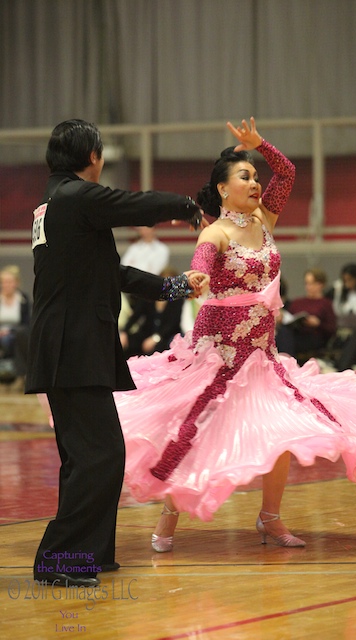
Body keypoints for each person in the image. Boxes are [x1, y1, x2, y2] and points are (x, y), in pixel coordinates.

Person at [114, 117, 356, 555]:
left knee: (282, 432)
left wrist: (259, 145)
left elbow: (286, 172)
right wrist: (191, 279)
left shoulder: (265, 219)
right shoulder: (214, 233)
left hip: (262, 355)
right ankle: (169, 514)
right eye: (245, 176)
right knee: (193, 433)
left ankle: (270, 518)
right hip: (219, 355)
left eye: (255, 176)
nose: (255, 183)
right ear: (222, 189)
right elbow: (199, 270)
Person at [25, 119, 207, 587]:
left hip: (67, 347)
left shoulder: (54, 205)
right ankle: (59, 559)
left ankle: (88, 555)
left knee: (88, 456)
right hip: (73, 347)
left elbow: (114, 273)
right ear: (92, 156)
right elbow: (133, 205)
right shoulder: (72, 198)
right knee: (101, 455)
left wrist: (176, 286)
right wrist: (187, 205)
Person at [120, 267, 185, 358]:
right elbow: (136, 315)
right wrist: (124, 332)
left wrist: (156, 338)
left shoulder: (177, 301)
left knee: (161, 346)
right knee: (128, 342)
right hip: (147, 332)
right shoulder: (149, 297)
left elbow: (172, 324)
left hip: (165, 336)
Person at [275, 267, 336, 360]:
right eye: (307, 283)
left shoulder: (326, 304)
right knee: (282, 333)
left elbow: (332, 328)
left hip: (313, 336)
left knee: (285, 336)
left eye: (312, 283)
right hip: (294, 333)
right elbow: (289, 318)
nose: (308, 287)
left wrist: (318, 324)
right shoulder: (297, 302)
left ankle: (286, 362)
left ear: (321, 285)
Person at [326, 263, 356, 348]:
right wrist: (338, 293)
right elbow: (337, 312)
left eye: (350, 280)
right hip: (342, 333)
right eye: (345, 280)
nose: (348, 283)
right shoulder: (342, 296)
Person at [0, 264, 31, 390]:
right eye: (4, 282)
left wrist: (10, 331)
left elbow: (26, 322)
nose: (7, 285)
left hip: (16, 333)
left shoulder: (23, 299)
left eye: (10, 282)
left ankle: (20, 377)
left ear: (16, 283)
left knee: (21, 336)